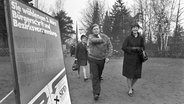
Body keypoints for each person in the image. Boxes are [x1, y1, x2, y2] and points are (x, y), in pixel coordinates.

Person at [87, 24, 113, 100]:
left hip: (101, 59)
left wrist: (108, 56)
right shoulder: (91, 37)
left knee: (98, 76)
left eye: (97, 29)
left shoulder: (105, 37)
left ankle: (96, 87)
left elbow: (110, 47)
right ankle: (96, 93)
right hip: (93, 59)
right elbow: (94, 41)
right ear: (92, 30)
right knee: (95, 76)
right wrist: (102, 39)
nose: (96, 30)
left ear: (99, 29)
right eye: (94, 29)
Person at [121, 23, 145, 97]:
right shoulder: (128, 38)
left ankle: (130, 86)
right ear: (131, 29)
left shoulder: (141, 38)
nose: (135, 29)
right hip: (129, 59)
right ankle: (130, 89)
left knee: (136, 75)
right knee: (129, 75)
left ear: (138, 29)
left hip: (138, 59)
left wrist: (141, 50)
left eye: (136, 27)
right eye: (133, 27)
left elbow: (143, 47)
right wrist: (132, 49)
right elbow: (123, 47)